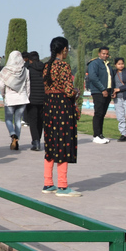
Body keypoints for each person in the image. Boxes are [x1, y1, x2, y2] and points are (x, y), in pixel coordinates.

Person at [42, 37, 81, 197]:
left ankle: (48, 182)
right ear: (64, 49)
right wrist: (76, 92)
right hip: (62, 107)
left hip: (49, 105)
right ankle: (63, 186)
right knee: (63, 142)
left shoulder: (46, 66)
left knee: (51, 143)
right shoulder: (63, 66)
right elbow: (68, 90)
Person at [0, 51, 31, 151]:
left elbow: (0, 85)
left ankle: (12, 134)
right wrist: (27, 96)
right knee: (17, 120)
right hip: (22, 98)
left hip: (10, 99)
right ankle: (17, 139)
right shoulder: (25, 70)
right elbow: (28, 86)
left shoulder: (6, 70)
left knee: (8, 119)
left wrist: (3, 95)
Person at [87, 47, 114, 144]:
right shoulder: (94, 63)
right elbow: (93, 77)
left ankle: (100, 135)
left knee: (102, 113)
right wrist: (102, 89)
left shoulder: (107, 64)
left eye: (107, 54)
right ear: (99, 54)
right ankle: (96, 135)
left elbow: (111, 78)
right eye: (103, 53)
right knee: (98, 113)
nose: (105, 55)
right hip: (98, 91)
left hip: (107, 91)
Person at [24, 52, 45, 151]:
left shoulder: (28, 70)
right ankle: (38, 140)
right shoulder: (44, 68)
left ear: (30, 60)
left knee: (33, 121)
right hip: (43, 98)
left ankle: (35, 141)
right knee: (40, 121)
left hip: (32, 99)